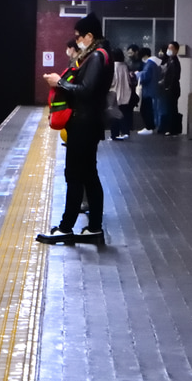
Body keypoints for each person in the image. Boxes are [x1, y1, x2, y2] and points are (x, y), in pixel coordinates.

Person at [37, 13, 113, 245]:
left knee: (75, 175)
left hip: (83, 123)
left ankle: (66, 227)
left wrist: (59, 82)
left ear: (90, 36)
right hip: (87, 123)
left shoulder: (97, 57)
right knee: (89, 175)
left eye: (79, 36)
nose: (77, 40)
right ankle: (94, 229)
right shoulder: (97, 55)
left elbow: (86, 89)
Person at [157, 41, 182, 136]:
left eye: (171, 48)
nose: (169, 50)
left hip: (172, 89)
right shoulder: (169, 60)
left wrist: (168, 87)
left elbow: (174, 77)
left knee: (172, 109)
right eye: (168, 48)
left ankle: (172, 129)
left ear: (176, 50)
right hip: (168, 88)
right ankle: (170, 128)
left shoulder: (175, 62)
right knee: (170, 108)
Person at [109, 48, 133, 140]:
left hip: (115, 94)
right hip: (126, 94)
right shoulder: (125, 66)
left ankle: (114, 134)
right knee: (125, 114)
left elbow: (112, 82)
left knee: (114, 115)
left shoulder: (113, 66)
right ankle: (125, 132)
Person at [136, 47, 161, 134]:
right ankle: (150, 127)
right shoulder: (155, 63)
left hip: (148, 90)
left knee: (146, 110)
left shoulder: (149, 64)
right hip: (153, 89)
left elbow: (145, 76)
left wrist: (137, 74)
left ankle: (149, 127)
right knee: (149, 109)